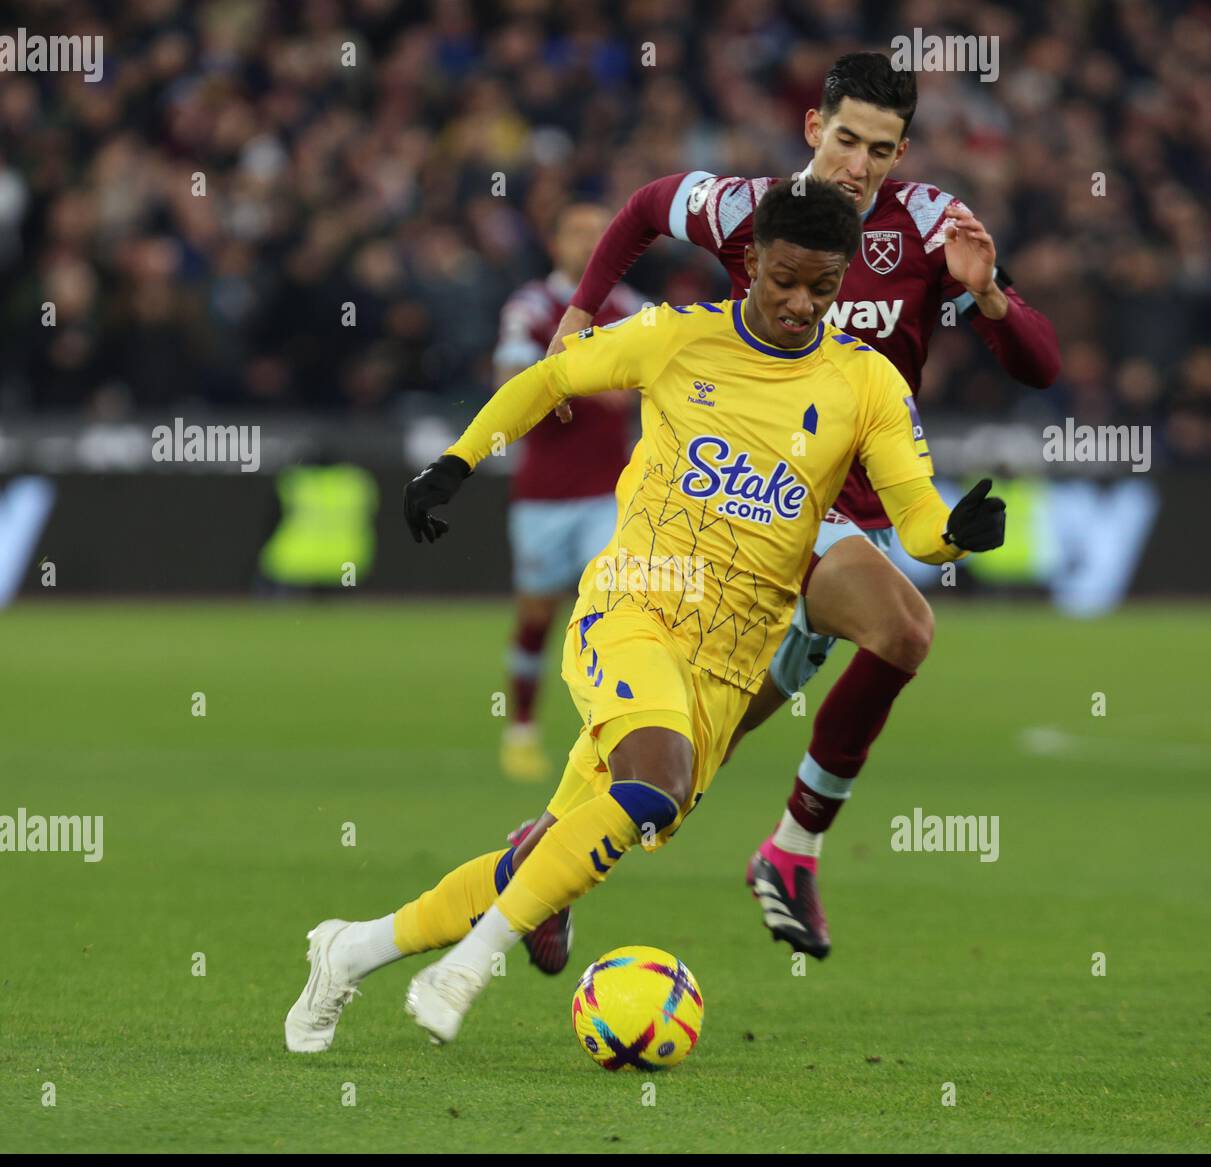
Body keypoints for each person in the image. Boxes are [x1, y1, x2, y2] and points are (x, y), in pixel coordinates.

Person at [284, 178, 1006, 1052]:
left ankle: (352, 950)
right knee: (654, 784)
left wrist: (955, 537)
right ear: (751, 263)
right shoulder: (677, 338)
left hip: (728, 666)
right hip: (631, 607)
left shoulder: (866, 385)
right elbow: (551, 374)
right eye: (784, 279)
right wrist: (457, 461)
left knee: (550, 853)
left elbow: (918, 520)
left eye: (823, 288)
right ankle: (470, 965)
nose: (800, 302)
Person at [520, 50, 1059, 962]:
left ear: (902, 151)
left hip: (864, 518)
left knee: (689, 759)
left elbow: (1039, 369)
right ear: (815, 128)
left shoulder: (929, 227)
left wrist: (988, 295)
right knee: (905, 630)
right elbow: (648, 205)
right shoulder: (751, 210)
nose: (859, 164)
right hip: (757, 508)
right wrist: (582, 309)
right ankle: (794, 850)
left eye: (880, 149)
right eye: (845, 138)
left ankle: (546, 858)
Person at [493, 202, 644, 782]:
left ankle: (607, 735)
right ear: (555, 242)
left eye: (598, 234)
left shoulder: (631, 310)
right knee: (537, 615)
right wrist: (582, 380)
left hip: (609, 493)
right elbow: (509, 383)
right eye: (577, 231)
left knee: (611, 613)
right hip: (544, 494)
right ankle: (522, 728)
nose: (588, 242)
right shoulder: (533, 306)